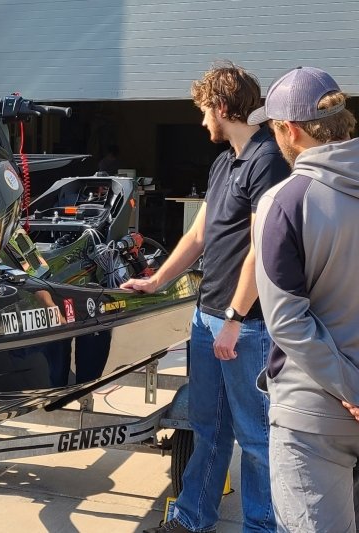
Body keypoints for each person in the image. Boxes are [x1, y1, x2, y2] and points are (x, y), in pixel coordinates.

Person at [121, 61, 289, 533]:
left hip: (247, 325)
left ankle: (263, 526)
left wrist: (236, 316)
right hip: (207, 315)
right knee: (208, 428)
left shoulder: (267, 159)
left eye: (202, 111)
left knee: (256, 437)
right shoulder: (223, 162)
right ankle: (192, 517)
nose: (201, 122)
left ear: (220, 107)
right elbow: (198, 234)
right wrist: (157, 280)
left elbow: (261, 246)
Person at [251, 66, 359, 532]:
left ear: (289, 130)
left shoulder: (284, 201)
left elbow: (287, 321)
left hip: (315, 412)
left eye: (274, 129)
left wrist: (352, 389)